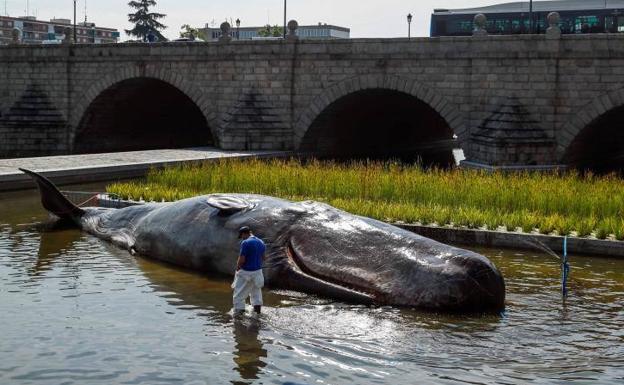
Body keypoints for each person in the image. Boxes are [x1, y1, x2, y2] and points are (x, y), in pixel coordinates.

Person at [232, 226, 266, 315]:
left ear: (244, 233)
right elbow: (264, 258)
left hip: (246, 273)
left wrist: (238, 268)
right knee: (256, 293)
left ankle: (239, 316)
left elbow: (242, 259)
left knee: (238, 295)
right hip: (258, 272)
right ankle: (257, 313)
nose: (242, 238)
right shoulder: (261, 242)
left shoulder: (246, 243)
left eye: (242, 236)